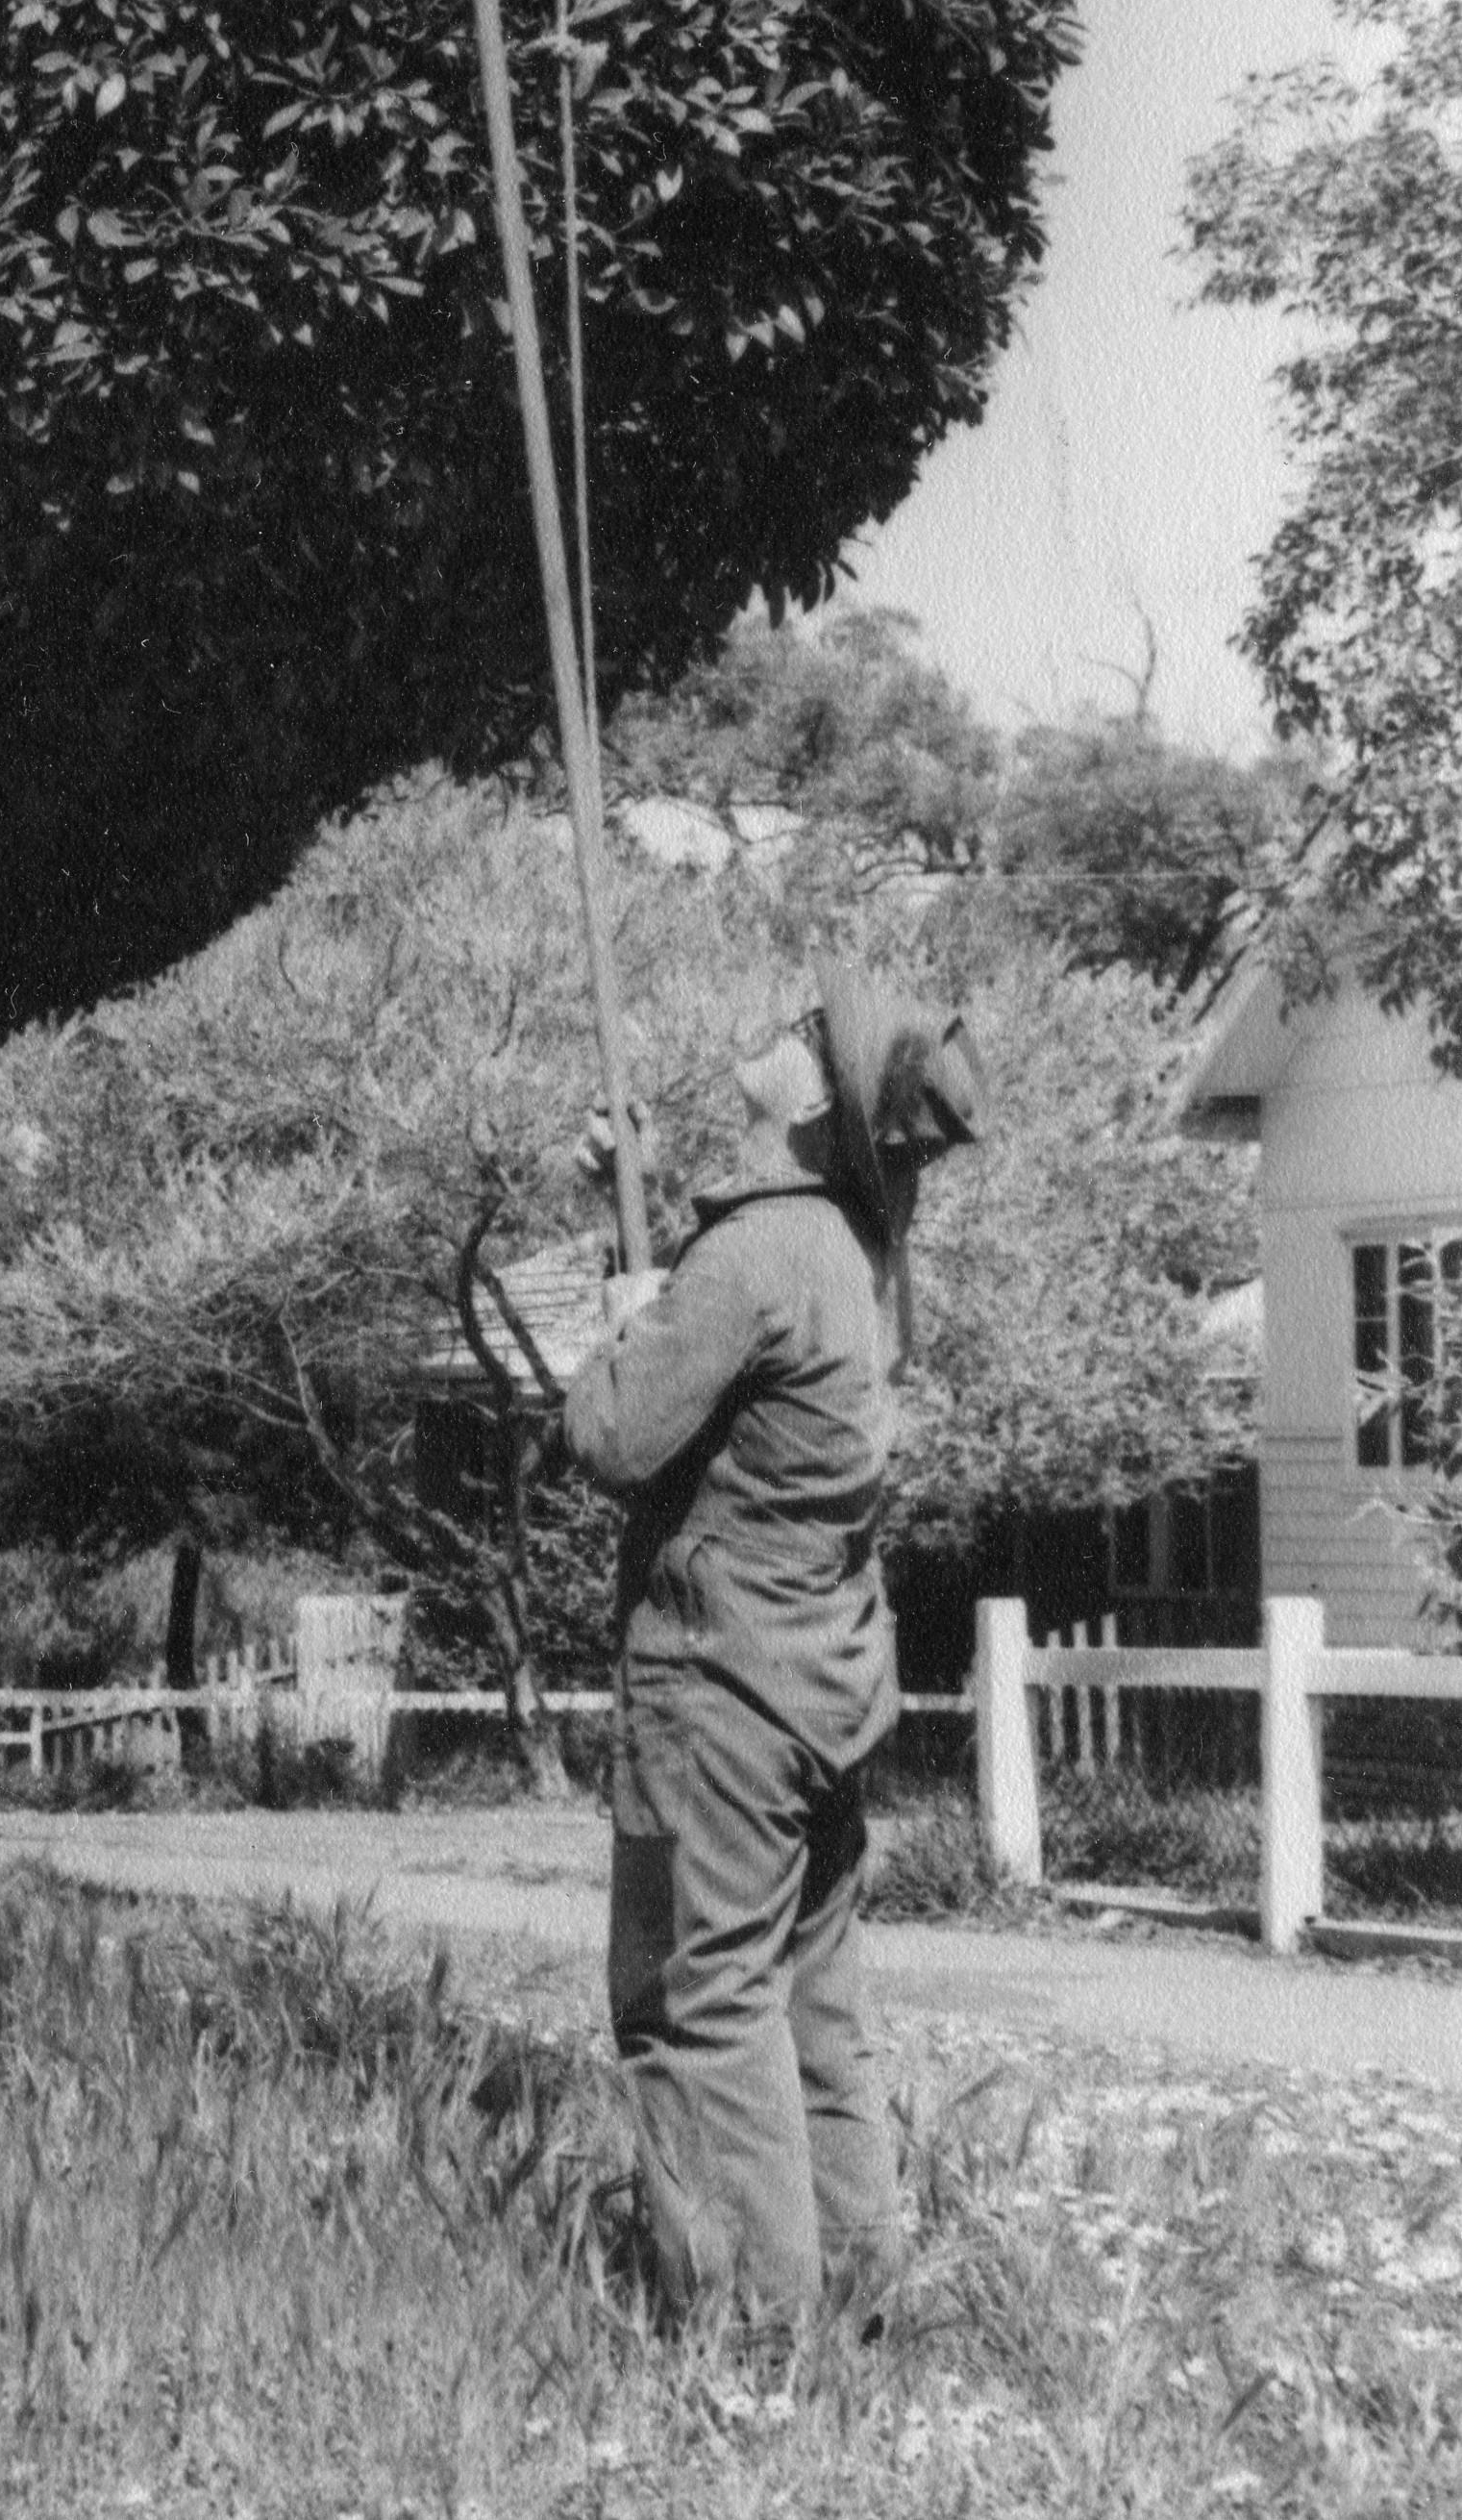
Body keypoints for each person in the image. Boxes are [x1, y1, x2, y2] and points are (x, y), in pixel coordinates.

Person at [558, 961, 979, 2340]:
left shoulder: (746, 1256)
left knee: (696, 2004)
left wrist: (621, 1313)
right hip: (820, 1688)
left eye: (805, 1034)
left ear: (815, 1105)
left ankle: (750, 2349)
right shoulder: (848, 1252)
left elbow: (618, 1437)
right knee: (806, 2006)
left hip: (720, 1693)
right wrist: (635, 1242)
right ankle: (862, 2308)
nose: (781, 1028)